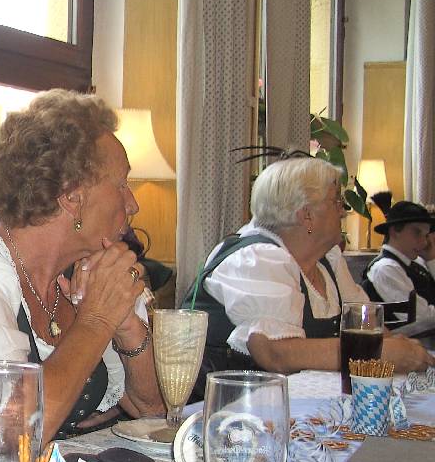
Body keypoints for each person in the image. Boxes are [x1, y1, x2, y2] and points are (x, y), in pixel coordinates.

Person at [0, 90, 164, 443]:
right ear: (72, 196)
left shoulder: (85, 269)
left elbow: (152, 410)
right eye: (121, 184)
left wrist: (126, 324)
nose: (132, 204)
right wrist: (97, 320)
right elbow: (9, 435)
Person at [181, 157, 430, 392]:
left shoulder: (328, 261)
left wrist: (403, 350)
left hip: (296, 406)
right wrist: (373, 353)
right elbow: (274, 353)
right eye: (336, 201)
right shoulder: (257, 259)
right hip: (220, 408)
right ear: (307, 215)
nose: (343, 211)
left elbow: (367, 326)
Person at [362, 200, 435, 323]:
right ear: (395, 231)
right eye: (417, 233)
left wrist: (431, 260)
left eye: (426, 235)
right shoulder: (386, 268)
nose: (424, 242)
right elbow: (423, 317)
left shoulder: (418, 263)